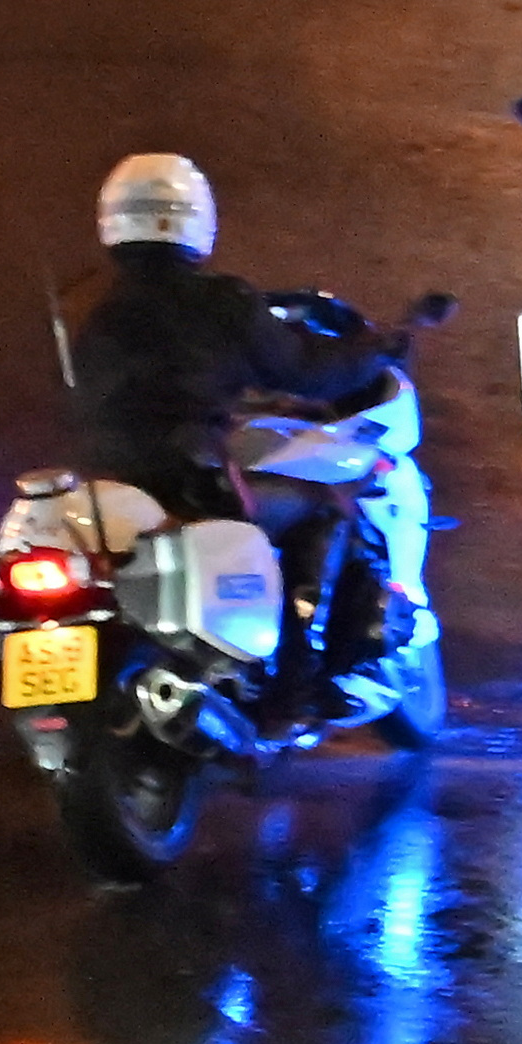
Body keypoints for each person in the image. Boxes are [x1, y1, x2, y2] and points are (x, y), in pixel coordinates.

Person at [65, 151, 429, 673]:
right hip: (189, 477)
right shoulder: (218, 301)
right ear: (196, 217)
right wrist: (377, 351)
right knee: (323, 505)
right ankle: (300, 677)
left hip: (103, 485)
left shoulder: (88, 305)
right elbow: (305, 370)